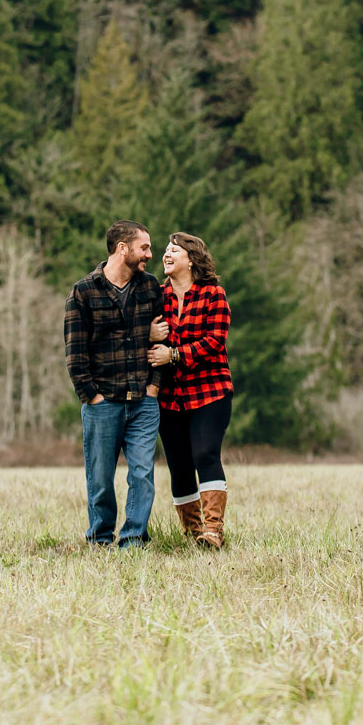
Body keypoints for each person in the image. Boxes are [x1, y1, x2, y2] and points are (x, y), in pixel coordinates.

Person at [64, 220, 166, 548]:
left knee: (142, 475)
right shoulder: (83, 292)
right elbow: (75, 354)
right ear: (122, 249)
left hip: (143, 399)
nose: (150, 254)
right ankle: (100, 538)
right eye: (144, 247)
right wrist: (90, 396)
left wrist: (153, 388)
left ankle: (133, 539)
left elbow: (160, 341)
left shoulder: (150, 288)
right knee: (100, 480)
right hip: (102, 401)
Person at [151, 231, 233, 548]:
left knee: (205, 454)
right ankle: (193, 532)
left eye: (173, 250)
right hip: (171, 397)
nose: (166, 255)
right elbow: (143, 336)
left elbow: (214, 342)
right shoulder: (158, 298)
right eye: (165, 251)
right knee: (179, 464)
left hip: (211, 391)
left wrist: (173, 354)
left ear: (191, 258)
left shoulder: (213, 295)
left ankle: (213, 530)